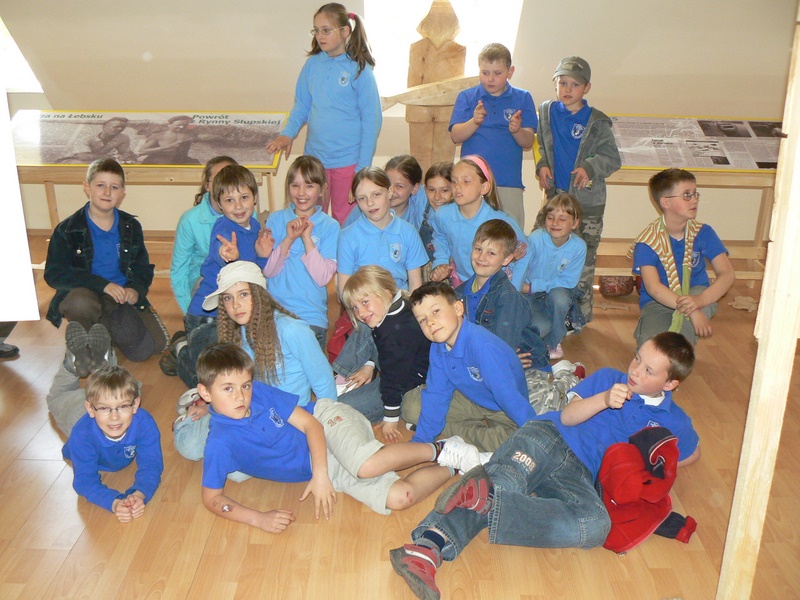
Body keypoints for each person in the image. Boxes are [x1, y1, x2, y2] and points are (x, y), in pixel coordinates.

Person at [390, 332, 701, 600]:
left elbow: (692, 454)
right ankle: (427, 549)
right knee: (508, 479)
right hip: (550, 436)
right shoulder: (609, 379)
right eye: (636, 358)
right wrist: (605, 399)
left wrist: (655, 462)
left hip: (580, 474)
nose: (635, 370)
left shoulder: (674, 421)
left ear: (670, 383)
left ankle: (489, 499)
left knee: (596, 525)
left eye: (648, 370)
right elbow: (568, 416)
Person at [196, 343, 483, 530]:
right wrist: (258, 519)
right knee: (400, 497)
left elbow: (311, 425)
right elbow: (212, 498)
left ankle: (440, 449)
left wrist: (320, 475)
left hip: (326, 421)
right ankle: (455, 463)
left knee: (367, 466)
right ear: (204, 393)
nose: (241, 396)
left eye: (245, 385)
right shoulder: (220, 443)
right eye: (228, 389)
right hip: (323, 466)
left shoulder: (259, 393)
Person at [173, 261, 337, 466]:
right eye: (228, 298)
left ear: (259, 295)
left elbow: (324, 383)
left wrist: (328, 430)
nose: (236, 305)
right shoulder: (235, 334)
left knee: (239, 468)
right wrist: (210, 407)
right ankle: (190, 413)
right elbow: (232, 386)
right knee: (190, 445)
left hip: (287, 419)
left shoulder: (292, 330)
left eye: (243, 294)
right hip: (245, 411)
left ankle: (184, 353)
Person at [44, 158, 169, 365]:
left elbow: (142, 268)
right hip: (86, 294)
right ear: (87, 187)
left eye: (114, 187)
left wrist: (135, 290)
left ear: (123, 193)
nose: (107, 192)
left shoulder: (131, 226)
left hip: (119, 296)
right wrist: (102, 284)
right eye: (100, 185)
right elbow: (54, 274)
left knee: (153, 346)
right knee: (79, 303)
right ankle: (88, 342)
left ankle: (102, 336)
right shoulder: (67, 229)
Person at [266, 3, 381, 225]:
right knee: (311, 218)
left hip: (348, 162)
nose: (320, 36)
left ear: (345, 31)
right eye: (316, 30)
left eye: (326, 30)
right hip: (315, 160)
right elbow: (302, 106)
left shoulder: (360, 70)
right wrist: (288, 134)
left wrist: (361, 169)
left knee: (345, 221)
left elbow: (371, 122)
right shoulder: (312, 65)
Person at [454, 219, 584, 412]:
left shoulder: (507, 297)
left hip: (523, 361)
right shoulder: (460, 293)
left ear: (507, 259)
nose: (482, 257)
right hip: (485, 361)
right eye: (478, 249)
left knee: (537, 411)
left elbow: (503, 346)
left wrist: (503, 361)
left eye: (491, 253)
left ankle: (568, 377)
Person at [403, 282, 537, 452]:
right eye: (422, 320)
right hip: (469, 396)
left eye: (435, 311)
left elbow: (509, 397)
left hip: (501, 407)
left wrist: (535, 432)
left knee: (511, 445)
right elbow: (437, 393)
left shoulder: (483, 347)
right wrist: (421, 441)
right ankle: (447, 428)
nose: (430, 322)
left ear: (458, 309)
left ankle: (448, 429)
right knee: (409, 407)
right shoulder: (438, 346)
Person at [536, 56, 621, 323]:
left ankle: (579, 318)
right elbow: (542, 145)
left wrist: (589, 167)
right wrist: (542, 165)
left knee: (583, 262)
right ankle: (545, 311)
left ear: (587, 88)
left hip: (587, 205)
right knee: (542, 250)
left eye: (575, 84)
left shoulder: (597, 121)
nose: (568, 89)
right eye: (563, 83)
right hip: (556, 199)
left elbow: (612, 158)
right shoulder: (546, 112)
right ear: (555, 83)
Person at [173, 164, 272, 388]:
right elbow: (222, 253)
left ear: (255, 198)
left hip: (234, 313)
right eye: (229, 200)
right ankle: (182, 351)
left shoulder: (255, 225)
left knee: (235, 370)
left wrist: (263, 256)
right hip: (206, 315)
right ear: (219, 204)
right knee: (208, 381)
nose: (238, 206)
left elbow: (253, 274)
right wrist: (227, 255)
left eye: (244, 197)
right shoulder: (223, 229)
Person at [630, 168, 735, 346]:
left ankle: (680, 352)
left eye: (695, 194)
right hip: (659, 302)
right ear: (666, 202)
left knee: (679, 340)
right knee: (649, 346)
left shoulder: (703, 232)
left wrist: (700, 301)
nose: (694, 200)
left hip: (697, 293)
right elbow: (654, 288)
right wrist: (692, 310)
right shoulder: (648, 242)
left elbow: (727, 274)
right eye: (687, 195)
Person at [335, 265, 431, 443]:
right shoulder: (397, 306)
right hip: (396, 368)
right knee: (365, 326)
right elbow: (381, 344)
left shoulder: (394, 332)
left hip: (407, 388)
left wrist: (390, 418)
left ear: (386, 293)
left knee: (340, 408)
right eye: (354, 307)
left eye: (365, 302)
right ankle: (343, 378)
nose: (360, 312)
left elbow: (393, 380)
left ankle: (398, 412)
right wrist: (369, 364)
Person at [61, 365, 164, 524]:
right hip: (72, 419)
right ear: (90, 409)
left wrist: (139, 494)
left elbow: (151, 465)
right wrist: (114, 502)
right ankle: (68, 368)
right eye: (104, 408)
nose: (114, 417)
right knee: (58, 400)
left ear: (135, 405)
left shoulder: (145, 423)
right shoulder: (81, 436)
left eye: (123, 406)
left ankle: (104, 373)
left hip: (96, 422)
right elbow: (84, 481)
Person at [449, 43, 537, 228]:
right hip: (472, 182)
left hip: (508, 182)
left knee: (511, 235)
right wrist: (475, 121)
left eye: (497, 73)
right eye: (485, 72)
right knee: (470, 233)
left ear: (510, 72)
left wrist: (517, 130)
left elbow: (528, 142)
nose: (490, 78)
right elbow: (455, 136)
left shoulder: (523, 97)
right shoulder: (467, 97)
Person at [263, 155, 340, 350]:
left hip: (311, 318)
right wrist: (288, 239)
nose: (301, 192)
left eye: (309, 186)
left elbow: (323, 278)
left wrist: (307, 238)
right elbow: (268, 271)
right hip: (275, 315)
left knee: (309, 368)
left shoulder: (330, 226)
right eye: (295, 185)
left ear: (322, 189)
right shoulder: (275, 219)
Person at [429, 156, 530, 291]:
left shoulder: (500, 221)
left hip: (495, 288)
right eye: (454, 181)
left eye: (466, 181)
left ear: (484, 187)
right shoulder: (443, 214)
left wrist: (513, 290)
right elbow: (440, 238)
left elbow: (527, 252)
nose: (458, 186)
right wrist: (441, 262)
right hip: (462, 284)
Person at [337, 167, 428, 296]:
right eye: (362, 198)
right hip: (363, 302)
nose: (370, 203)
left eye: (376, 194)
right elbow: (344, 291)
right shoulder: (347, 236)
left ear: (389, 192)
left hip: (400, 301)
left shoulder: (408, 232)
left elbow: (415, 285)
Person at [169, 156, 238, 316]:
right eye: (218, 179)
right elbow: (179, 271)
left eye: (230, 178)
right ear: (207, 185)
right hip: (204, 280)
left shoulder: (248, 214)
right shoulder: (190, 220)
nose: (224, 185)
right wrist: (190, 314)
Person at [523, 193, 587, 360]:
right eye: (550, 218)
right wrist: (528, 288)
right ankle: (536, 335)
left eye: (562, 219)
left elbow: (569, 281)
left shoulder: (579, 247)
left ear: (575, 223)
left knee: (560, 298)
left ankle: (554, 341)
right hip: (530, 295)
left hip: (555, 291)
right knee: (540, 327)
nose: (555, 223)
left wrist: (533, 286)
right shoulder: (535, 239)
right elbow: (521, 268)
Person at [343, 154, 428, 229]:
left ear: (414, 188)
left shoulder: (419, 204)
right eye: (388, 183)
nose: (391, 190)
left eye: (399, 186)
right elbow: (344, 235)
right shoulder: (366, 208)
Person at [419, 162, 454, 275]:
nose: (437, 197)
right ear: (425, 189)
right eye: (431, 190)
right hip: (430, 269)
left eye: (444, 190)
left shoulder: (458, 217)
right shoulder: (426, 211)